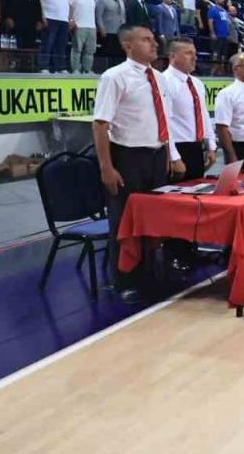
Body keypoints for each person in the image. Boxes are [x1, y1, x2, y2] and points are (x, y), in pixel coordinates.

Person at [92, 25, 185, 303]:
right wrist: (106, 167)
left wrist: (171, 155)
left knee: (153, 220)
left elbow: (164, 120)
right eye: (146, 40)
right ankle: (124, 281)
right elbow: (100, 124)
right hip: (127, 157)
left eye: (153, 39)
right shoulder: (114, 77)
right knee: (125, 222)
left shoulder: (159, 78)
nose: (154, 44)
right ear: (127, 45)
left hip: (156, 157)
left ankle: (150, 274)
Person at [162, 38, 215, 180]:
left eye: (195, 53)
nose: (194, 58)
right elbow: (164, 123)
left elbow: (204, 115)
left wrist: (211, 145)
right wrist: (174, 157)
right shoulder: (164, 81)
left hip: (197, 147)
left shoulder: (197, 83)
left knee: (198, 189)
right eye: (188, 53)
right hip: (177, 147)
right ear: (173, 56)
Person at [34, 0, 70, 73]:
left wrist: (69, 18)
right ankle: (43, 66)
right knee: (47, 44)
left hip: (63, 19)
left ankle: (60, 67)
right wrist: (42, 16)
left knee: (61, 45)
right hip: (49, 17)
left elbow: (67, 3)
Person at [64, 0, 98, 74]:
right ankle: (76, 69)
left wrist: (95, 26)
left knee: (90, 51)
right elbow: (68, 7)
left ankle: (87, 69)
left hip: (91, 26)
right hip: (79, 25)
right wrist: (70, 20)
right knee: (77, 49)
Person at [89, 0, 123, 72]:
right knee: (107, 52)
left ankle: (115, 71)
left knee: (116, 54)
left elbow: (122, 17)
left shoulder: (121, 1)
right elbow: (98, 15)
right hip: (107, 30)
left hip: (119, 32)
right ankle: (104, 70)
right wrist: (101, 28)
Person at [207, 0, 229, 74]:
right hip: (217, 35)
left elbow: (226, 23)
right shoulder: (213, 9)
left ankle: (220, 71)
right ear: (216, 0)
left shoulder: (224, 11)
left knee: (223, 55)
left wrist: (228, 34)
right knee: (216, 54)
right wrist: (212, 33)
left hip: (225, 36)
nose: (221, 0)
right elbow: (210, 22)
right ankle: (212, 72)